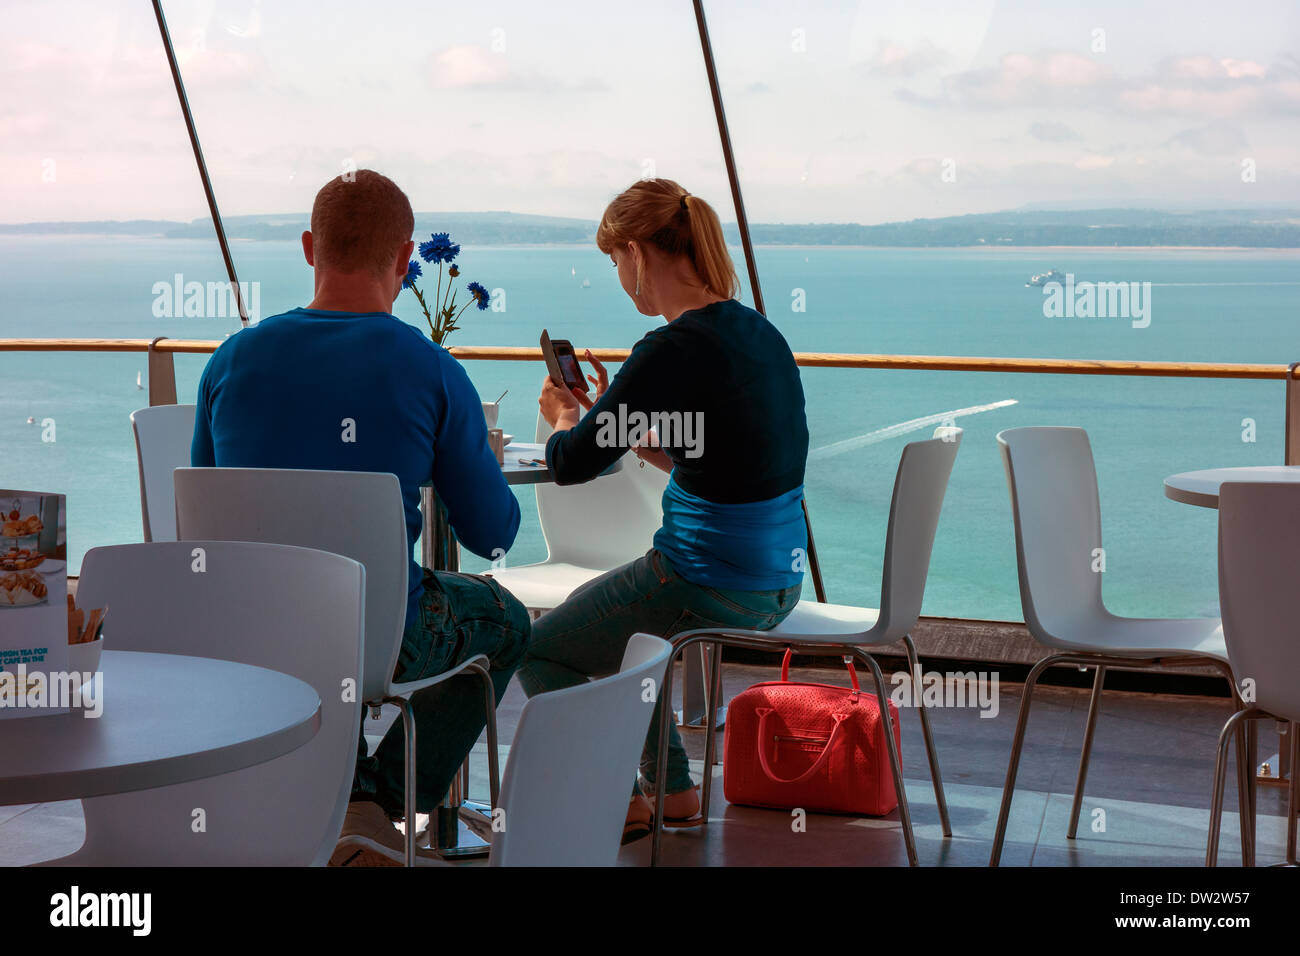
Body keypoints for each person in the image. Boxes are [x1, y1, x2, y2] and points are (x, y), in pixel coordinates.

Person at [191, 169, 530, 865]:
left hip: (248, 633)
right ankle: (376, 802)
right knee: (506, 620)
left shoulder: (231, 362)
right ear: (406, 261)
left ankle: (332, 798)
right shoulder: (431, 370)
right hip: (377, 639)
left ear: (310, 248)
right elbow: (491, 534)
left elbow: (201, 520)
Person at [520, 178, 808, 842]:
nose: (622, 281)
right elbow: (721, 456)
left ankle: (619, 799)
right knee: (625, 640)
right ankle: (673, 792)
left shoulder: (669, 348)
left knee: (540, 650)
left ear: (637, 252)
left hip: (706, 580)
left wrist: (567, 415)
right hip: (776, 582)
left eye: (616, 262)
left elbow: (571, 463)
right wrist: (616, 424)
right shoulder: (757, 333)